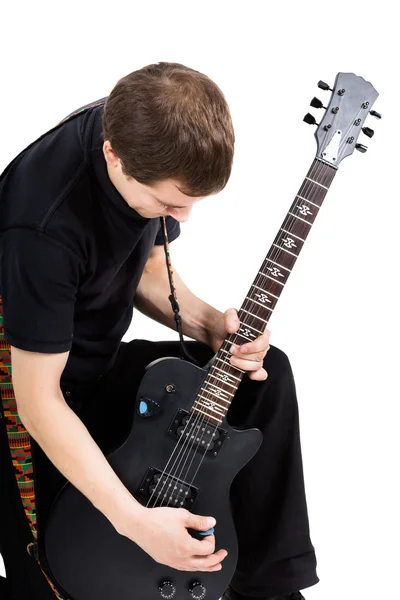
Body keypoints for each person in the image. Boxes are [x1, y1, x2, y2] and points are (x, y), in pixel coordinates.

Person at [0, 62, 318, 600]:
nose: (182, 217)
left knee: (264, 376)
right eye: (171, 203)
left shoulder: (143, 132)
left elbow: (148, 266)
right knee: (65, 580)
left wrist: (211, 325)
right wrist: (135, 522)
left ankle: (267, 587)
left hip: (92, 364)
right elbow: (38, 403)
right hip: (27, 400)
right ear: (113, 158)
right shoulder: (41, 230)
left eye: (192, 203)